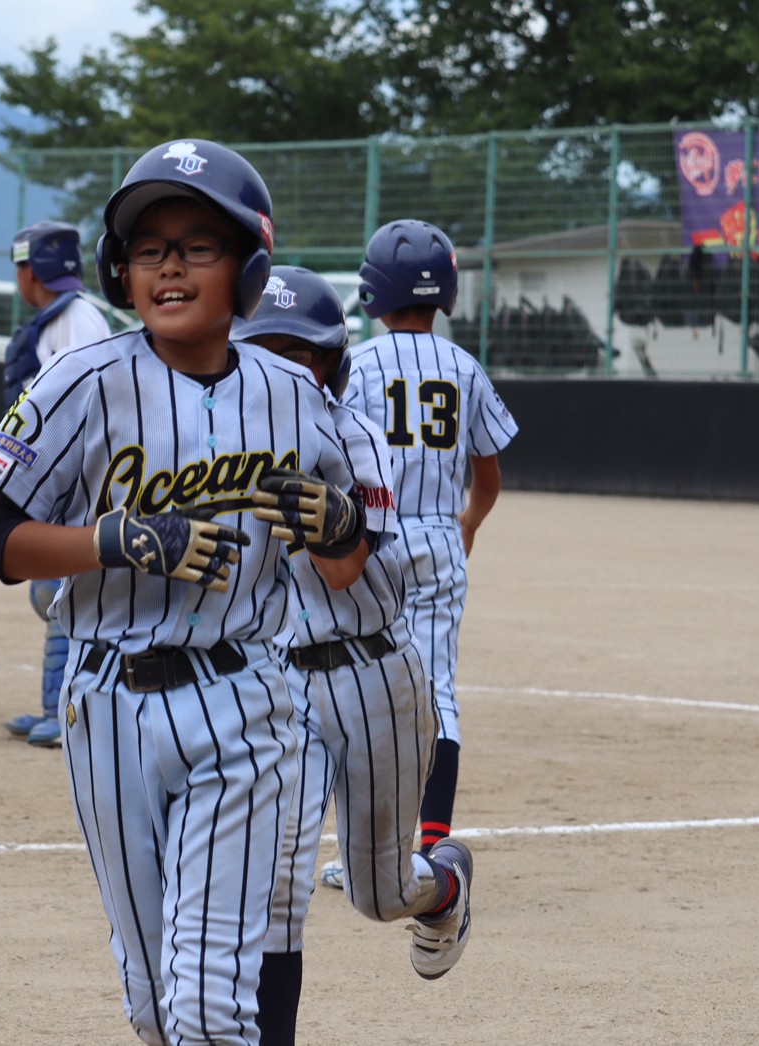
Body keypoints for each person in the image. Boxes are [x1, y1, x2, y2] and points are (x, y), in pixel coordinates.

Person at [0, 139, 365, 1045]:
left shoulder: (295, 398)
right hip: (107, 704)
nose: (171, 267)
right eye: (150, 248)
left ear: (248, 270)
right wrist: (118, 539)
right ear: (120, 270)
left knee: (206, 1006)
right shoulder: (82, 381)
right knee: (154, 1007)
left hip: (245, 706)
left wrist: (338, 525)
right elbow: (2, 548)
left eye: (198, 245)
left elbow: (346, 568)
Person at [240, 267, 473, 1044]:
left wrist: (317, 517)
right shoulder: (224, 444)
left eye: (293, 353)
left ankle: (443, 891)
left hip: (375, 677)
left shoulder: (354, 438)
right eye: (258, 350)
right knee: (274, 887)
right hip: (281, 690)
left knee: (378, 893)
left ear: (329, 363)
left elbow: (343, 572)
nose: (276, 367)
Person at [343, 219, 518, 859]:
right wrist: (467, 523)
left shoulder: (355, 365)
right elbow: (490, 475)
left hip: (369, 540)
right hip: (439, 541)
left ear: (374, 291)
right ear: (443, 291)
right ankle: (432, 846)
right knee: (435, 686)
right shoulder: (464, 367)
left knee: (357, 687)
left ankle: (366, 849)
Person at [0, 220, 112, 749]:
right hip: (57, 472)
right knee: (50, 592)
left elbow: (87, 403)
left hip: (77, 476)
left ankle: (68, 710)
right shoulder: (59, 318)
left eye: (20, 266)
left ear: (33, 269)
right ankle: (53, 705)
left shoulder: (75, 320)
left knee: (61, 591)